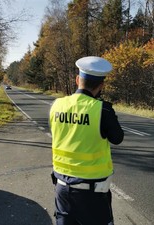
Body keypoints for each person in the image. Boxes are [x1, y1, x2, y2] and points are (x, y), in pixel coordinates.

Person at [49, 56, 124, 225]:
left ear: (77, 80)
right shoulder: (102, 110)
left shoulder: (56, 105)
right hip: (93, 196)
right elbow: (117, 138)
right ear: (101, 85)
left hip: (62, 189)